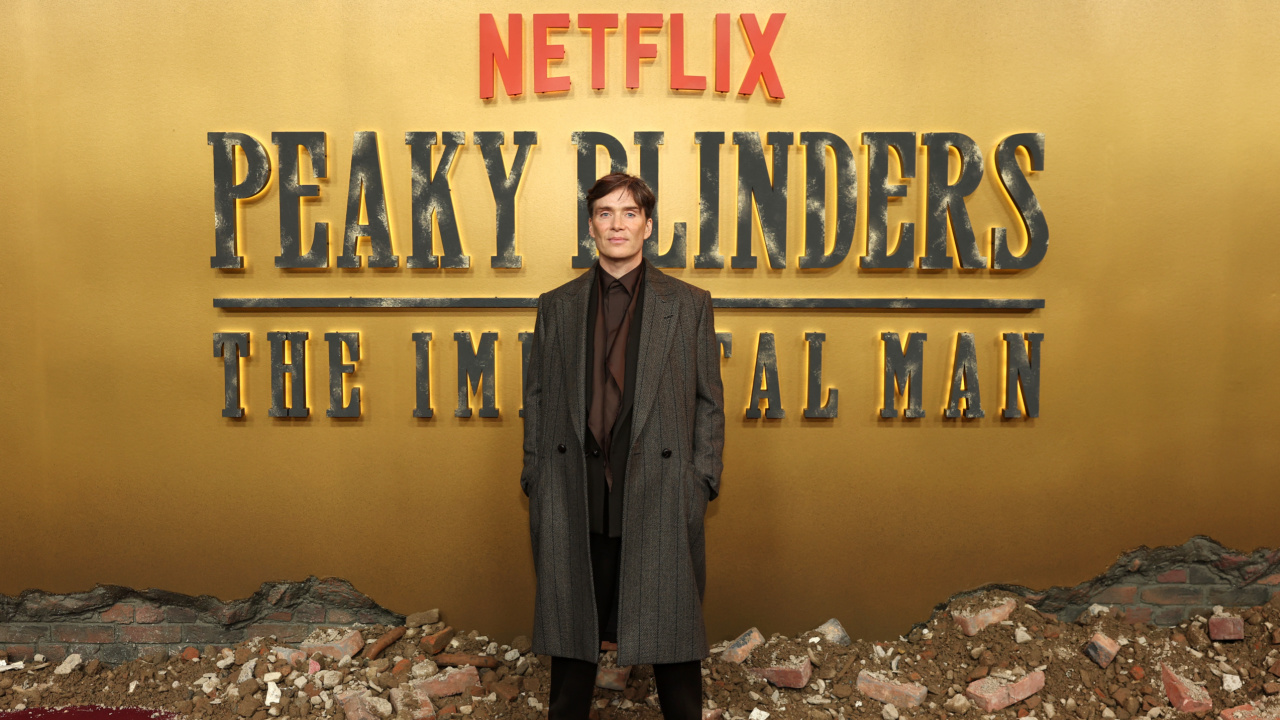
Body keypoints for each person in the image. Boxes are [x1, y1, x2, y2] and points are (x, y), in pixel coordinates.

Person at [521, 172, 725, 720]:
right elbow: (537, 399)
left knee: (672, 634)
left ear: (648, 226)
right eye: (606, 213)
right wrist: (536, 479)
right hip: (574, 491)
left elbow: (709, 401)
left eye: (629, 213)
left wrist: (699, 479)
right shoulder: (556, 306)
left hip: (659, 490)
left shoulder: (687, 305)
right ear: (591, 226)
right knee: (572, 634)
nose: (617, 224)